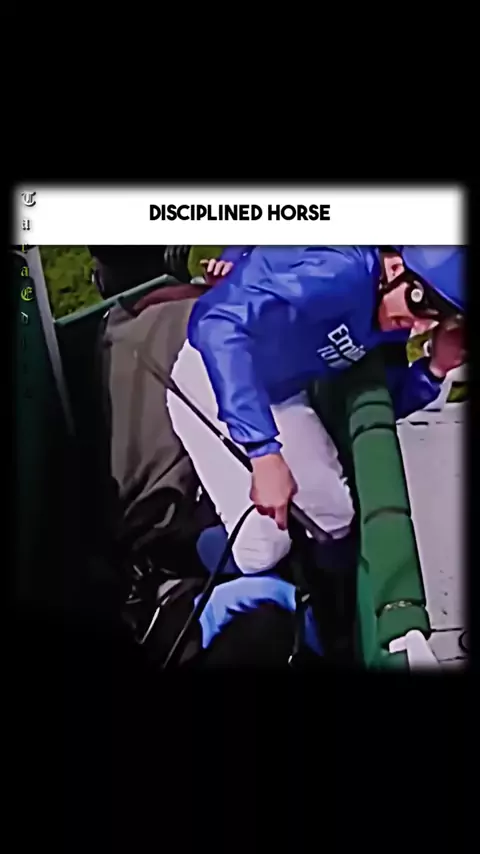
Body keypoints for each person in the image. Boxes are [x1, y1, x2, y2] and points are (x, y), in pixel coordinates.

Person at [166, 246, 465, 581]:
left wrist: (434, 369)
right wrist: (263, 453)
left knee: (334, 517)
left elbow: (384, 406)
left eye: (439, 318)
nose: (421, 324)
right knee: (263, 547)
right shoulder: (339, 272)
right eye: (420, 302)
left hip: (280, 393)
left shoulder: (392, 316)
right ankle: (176, 557)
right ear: (396, 269)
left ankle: (316, 601)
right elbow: (217, 326)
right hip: (211, 378)